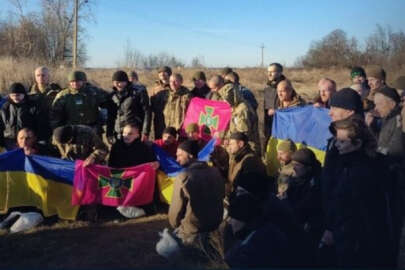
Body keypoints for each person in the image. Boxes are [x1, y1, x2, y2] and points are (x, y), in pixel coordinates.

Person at [322, 118, 392, 267]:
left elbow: (360, 212)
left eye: (342, 142)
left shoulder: (362, 172)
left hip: (356, 243)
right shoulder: (345, 163)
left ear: (358, 143)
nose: (337, 146)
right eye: (336, 140)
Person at [162, 140, 225, 262]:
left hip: (193, 231)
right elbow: (221, 195)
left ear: (190, 155)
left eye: (180, 155)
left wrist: (178, 226)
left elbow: (174, 215)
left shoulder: (184, 177)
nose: (177, 159)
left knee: (162, 248)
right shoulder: (215, 171)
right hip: (215, 226)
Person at [278, 148, 324, 259]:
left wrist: (284, 201)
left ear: (308, 167)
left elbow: (301, 211)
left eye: (298, 165)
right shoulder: (297, 179)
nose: (294, 168)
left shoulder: (316, 185)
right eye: (293, 164)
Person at [107, 70, 150, 144]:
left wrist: (145, 132)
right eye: (115, 83)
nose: (118, 85)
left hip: (134, 132)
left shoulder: (138, 93)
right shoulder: (112, 96)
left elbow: (147, 112)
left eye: (119, 82)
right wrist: (109, 133)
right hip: (118, 134)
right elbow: (111, 116)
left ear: (126, 82)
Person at [0, 83, 45, 150]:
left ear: (23, 94)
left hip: (28, 142)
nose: (15, 97)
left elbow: (41, 125)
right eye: (13, 95)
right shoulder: (5, 108)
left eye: (18, 95)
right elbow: (1, 126)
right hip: (10, 142)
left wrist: (39, 142)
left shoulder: (33, 106)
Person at [28, 66, 61, 141]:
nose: (40, 77)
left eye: (43, 75)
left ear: (49, 76)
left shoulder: (57, 91)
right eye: (38, 75)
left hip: (52, 127)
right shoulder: (30, 92)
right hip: (36, 128)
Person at [263, 63, 286, 138]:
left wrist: (277, 110)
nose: (269, 74)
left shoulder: (285, 86)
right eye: (268, 71)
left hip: (280, 124)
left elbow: (293, 105)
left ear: (280, 73)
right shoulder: (268, 87)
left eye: (272, 72)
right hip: (269, 124)